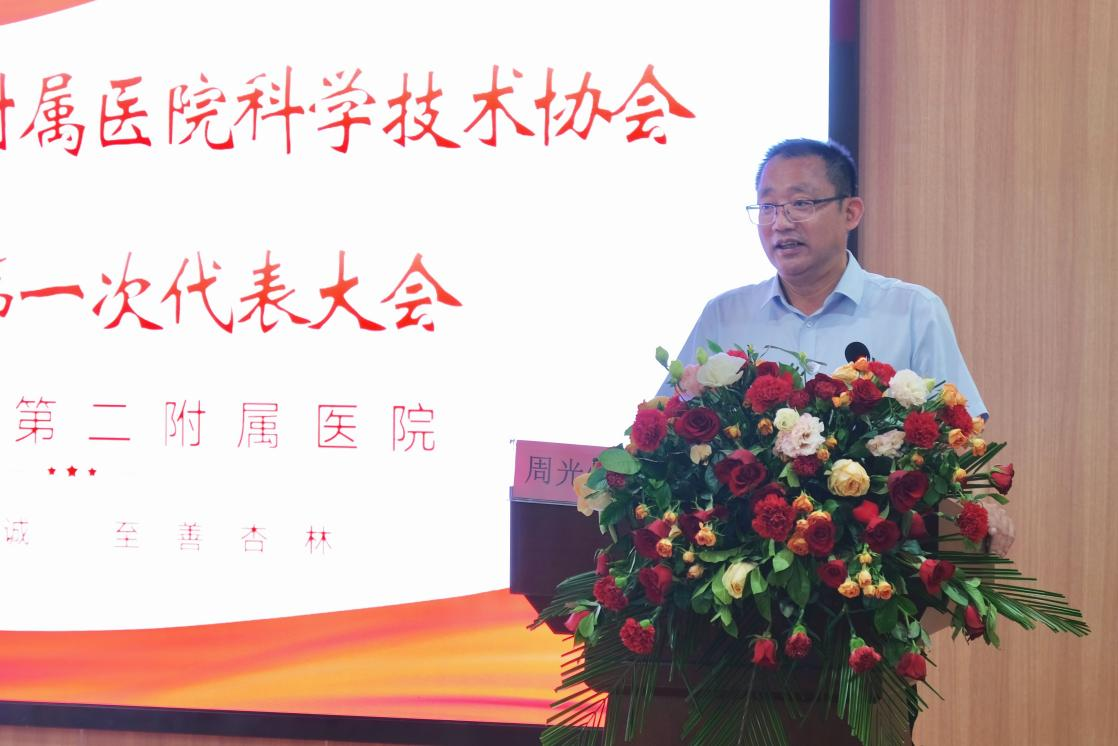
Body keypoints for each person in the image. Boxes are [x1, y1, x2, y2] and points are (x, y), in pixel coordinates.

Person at [661, 138, 1012, 555]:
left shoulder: (913, 311)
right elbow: (666, 426)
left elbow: (960, 433)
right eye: (768, 206)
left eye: (800, 204)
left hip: (875, 560)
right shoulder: (724, 315)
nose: (780, 223)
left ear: (851, 212)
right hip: (745, 557)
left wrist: (981, 502)